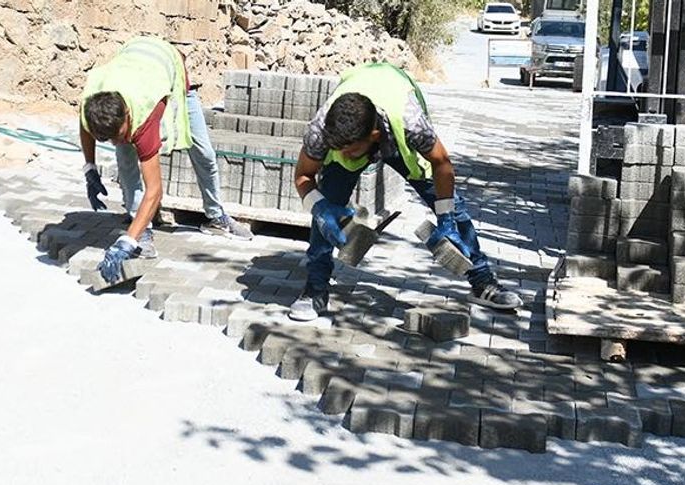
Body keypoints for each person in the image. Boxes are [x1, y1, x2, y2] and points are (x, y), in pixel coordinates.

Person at [289, 62, 523, 321]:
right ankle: (316, 288)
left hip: (396, 128)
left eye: (350, 150)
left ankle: (483, 281)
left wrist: (445, 219)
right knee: (325, 211)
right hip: (362, 109)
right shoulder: (321, 130)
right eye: (338, 148)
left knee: (451, 205)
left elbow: (442, 164)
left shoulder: (410, 123)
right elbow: (303, 175)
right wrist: (319, 208)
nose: (343, 155)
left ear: (375, 135)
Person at [79, 36, 253, 283]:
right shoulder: (92, 103)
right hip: (134, 62)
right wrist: (90, 168)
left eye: (120, 135)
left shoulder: (145, 113)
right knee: (126, 161)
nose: (118, 141)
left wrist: (124, 242)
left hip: (172, 78)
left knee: (203, 152)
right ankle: (143, 232)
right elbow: (85, 126)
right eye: (109, 139)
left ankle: (216, 216)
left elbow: (155, 190)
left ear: (128, 115)